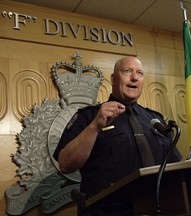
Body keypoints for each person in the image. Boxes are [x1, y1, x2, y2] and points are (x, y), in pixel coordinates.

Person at [53, 56, 182, 215]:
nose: (134, 77)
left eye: (140, 73)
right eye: (127, 71)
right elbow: (66, 164)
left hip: (158, 208)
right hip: (107, 210)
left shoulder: (155, 120)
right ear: (114, 79)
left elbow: (176, 166)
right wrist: (95, 127)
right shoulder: (89, 116)